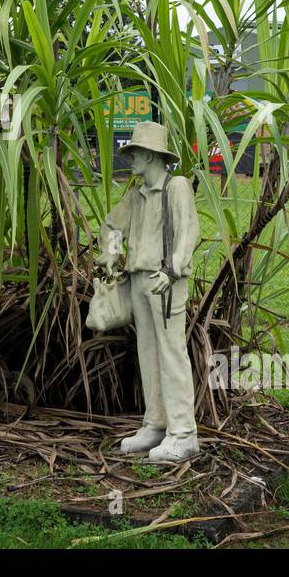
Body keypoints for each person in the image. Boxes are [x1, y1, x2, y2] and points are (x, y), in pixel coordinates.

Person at [97, 121, 201, 462]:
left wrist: (172, 270)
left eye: (136, 153)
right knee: (148, 352)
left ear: (153, 156)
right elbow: (113, 225)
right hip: (138, 281)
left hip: (165, 282)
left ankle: (183, 433)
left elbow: (188, 231)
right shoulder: (137, 194)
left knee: (172, 354)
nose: (131, 160)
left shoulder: (177, 187)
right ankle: (155, 424)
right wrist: (112, 255)